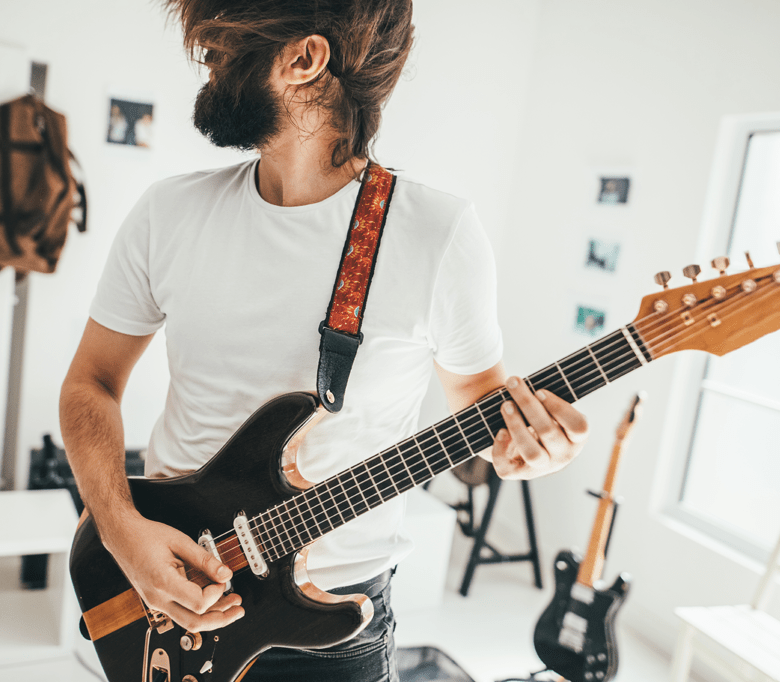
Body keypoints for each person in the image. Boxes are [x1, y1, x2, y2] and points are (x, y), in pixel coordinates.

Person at [59, 2, 589, 681]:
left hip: (335, 631)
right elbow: (90, 383)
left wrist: (527, 450)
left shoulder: (437, 234)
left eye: (220, 52)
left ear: (304, 60)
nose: (206, 68)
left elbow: (483, 408)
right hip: (167, 589)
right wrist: (119, 529)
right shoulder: (168, 213)